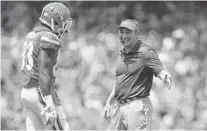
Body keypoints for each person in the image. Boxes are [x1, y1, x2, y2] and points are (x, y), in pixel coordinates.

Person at [104, 19, 172, 130]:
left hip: (137, 104)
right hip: (120, 105)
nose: (124, 35)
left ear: (136, 34)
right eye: (122, 32)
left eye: (128, 32)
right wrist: (109, 102)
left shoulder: (145, 51)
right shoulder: (122, 53)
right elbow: (120, 82)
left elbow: (158, 68)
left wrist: (164, 74)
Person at [20, 2, 72, 130]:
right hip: (40, 91)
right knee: (63, 127)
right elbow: (44, 72)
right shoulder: (49, 38)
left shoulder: (32, 35)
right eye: (63, 23)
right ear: (54, 22)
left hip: (26, 92)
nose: (65, 28)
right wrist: (49, 102)